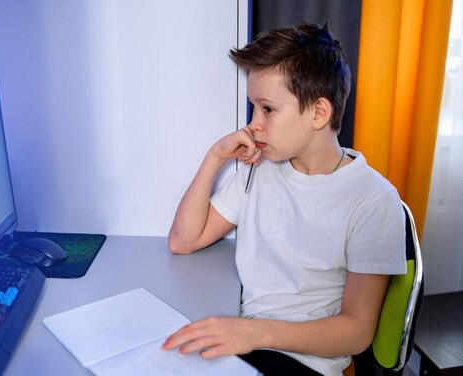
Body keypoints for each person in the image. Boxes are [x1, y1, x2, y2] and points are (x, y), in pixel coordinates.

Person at [161, 22, 407, 376]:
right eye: (253, 108)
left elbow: (357, 332)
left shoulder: (373, 200)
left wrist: (254, 333)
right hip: (247, 346)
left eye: (268, 109)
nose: (254, 124)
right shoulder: (258, 168)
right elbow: (183, 241)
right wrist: (215, 156)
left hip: (302, 362)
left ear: (319, 113)